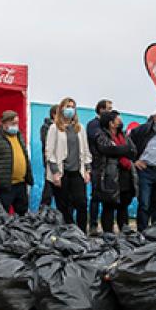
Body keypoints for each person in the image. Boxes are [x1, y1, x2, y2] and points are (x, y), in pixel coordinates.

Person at [44, 97, 92, 231]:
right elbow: (49, 152)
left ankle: (82, 232)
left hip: (77, 172)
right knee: (64, 205)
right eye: (67, 106)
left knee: (82, 203)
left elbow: (86, 150)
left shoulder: (80, 128)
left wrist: (87, 169)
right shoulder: (54, 128)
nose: (70, 109)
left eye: (72, 106)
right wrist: (55, 173)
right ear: (61, 109)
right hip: (61, 173)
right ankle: (69, 231)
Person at [91, 110, 136, 234]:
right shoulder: (101, 135)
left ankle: (124, 232)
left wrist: (120, 149)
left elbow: (133, 150)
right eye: (118, 119)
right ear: (111, 123)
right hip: (109, 176)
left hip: (125, 176)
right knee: (109, 206)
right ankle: (108, 234)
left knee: (123, 206)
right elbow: (108, 149)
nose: (120, 121)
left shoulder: (124, 136)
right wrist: (123, 149)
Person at [85, 99, 111, 233]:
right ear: (101, 110)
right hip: (96, 165)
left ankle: (107, 226)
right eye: (108, 108)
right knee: (96, 196)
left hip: (109, 167)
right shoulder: (93, 125)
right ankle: (93, 224)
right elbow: (100, 142)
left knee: (109, 196)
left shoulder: (110, 126)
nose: (110, 111)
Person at [37, 104, 59, 209]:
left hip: (63, 164)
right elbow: (48, 144)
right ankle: (42, 215)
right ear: (54, 114)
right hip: (50, 164)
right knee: (48, 192)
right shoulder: (46, 127)